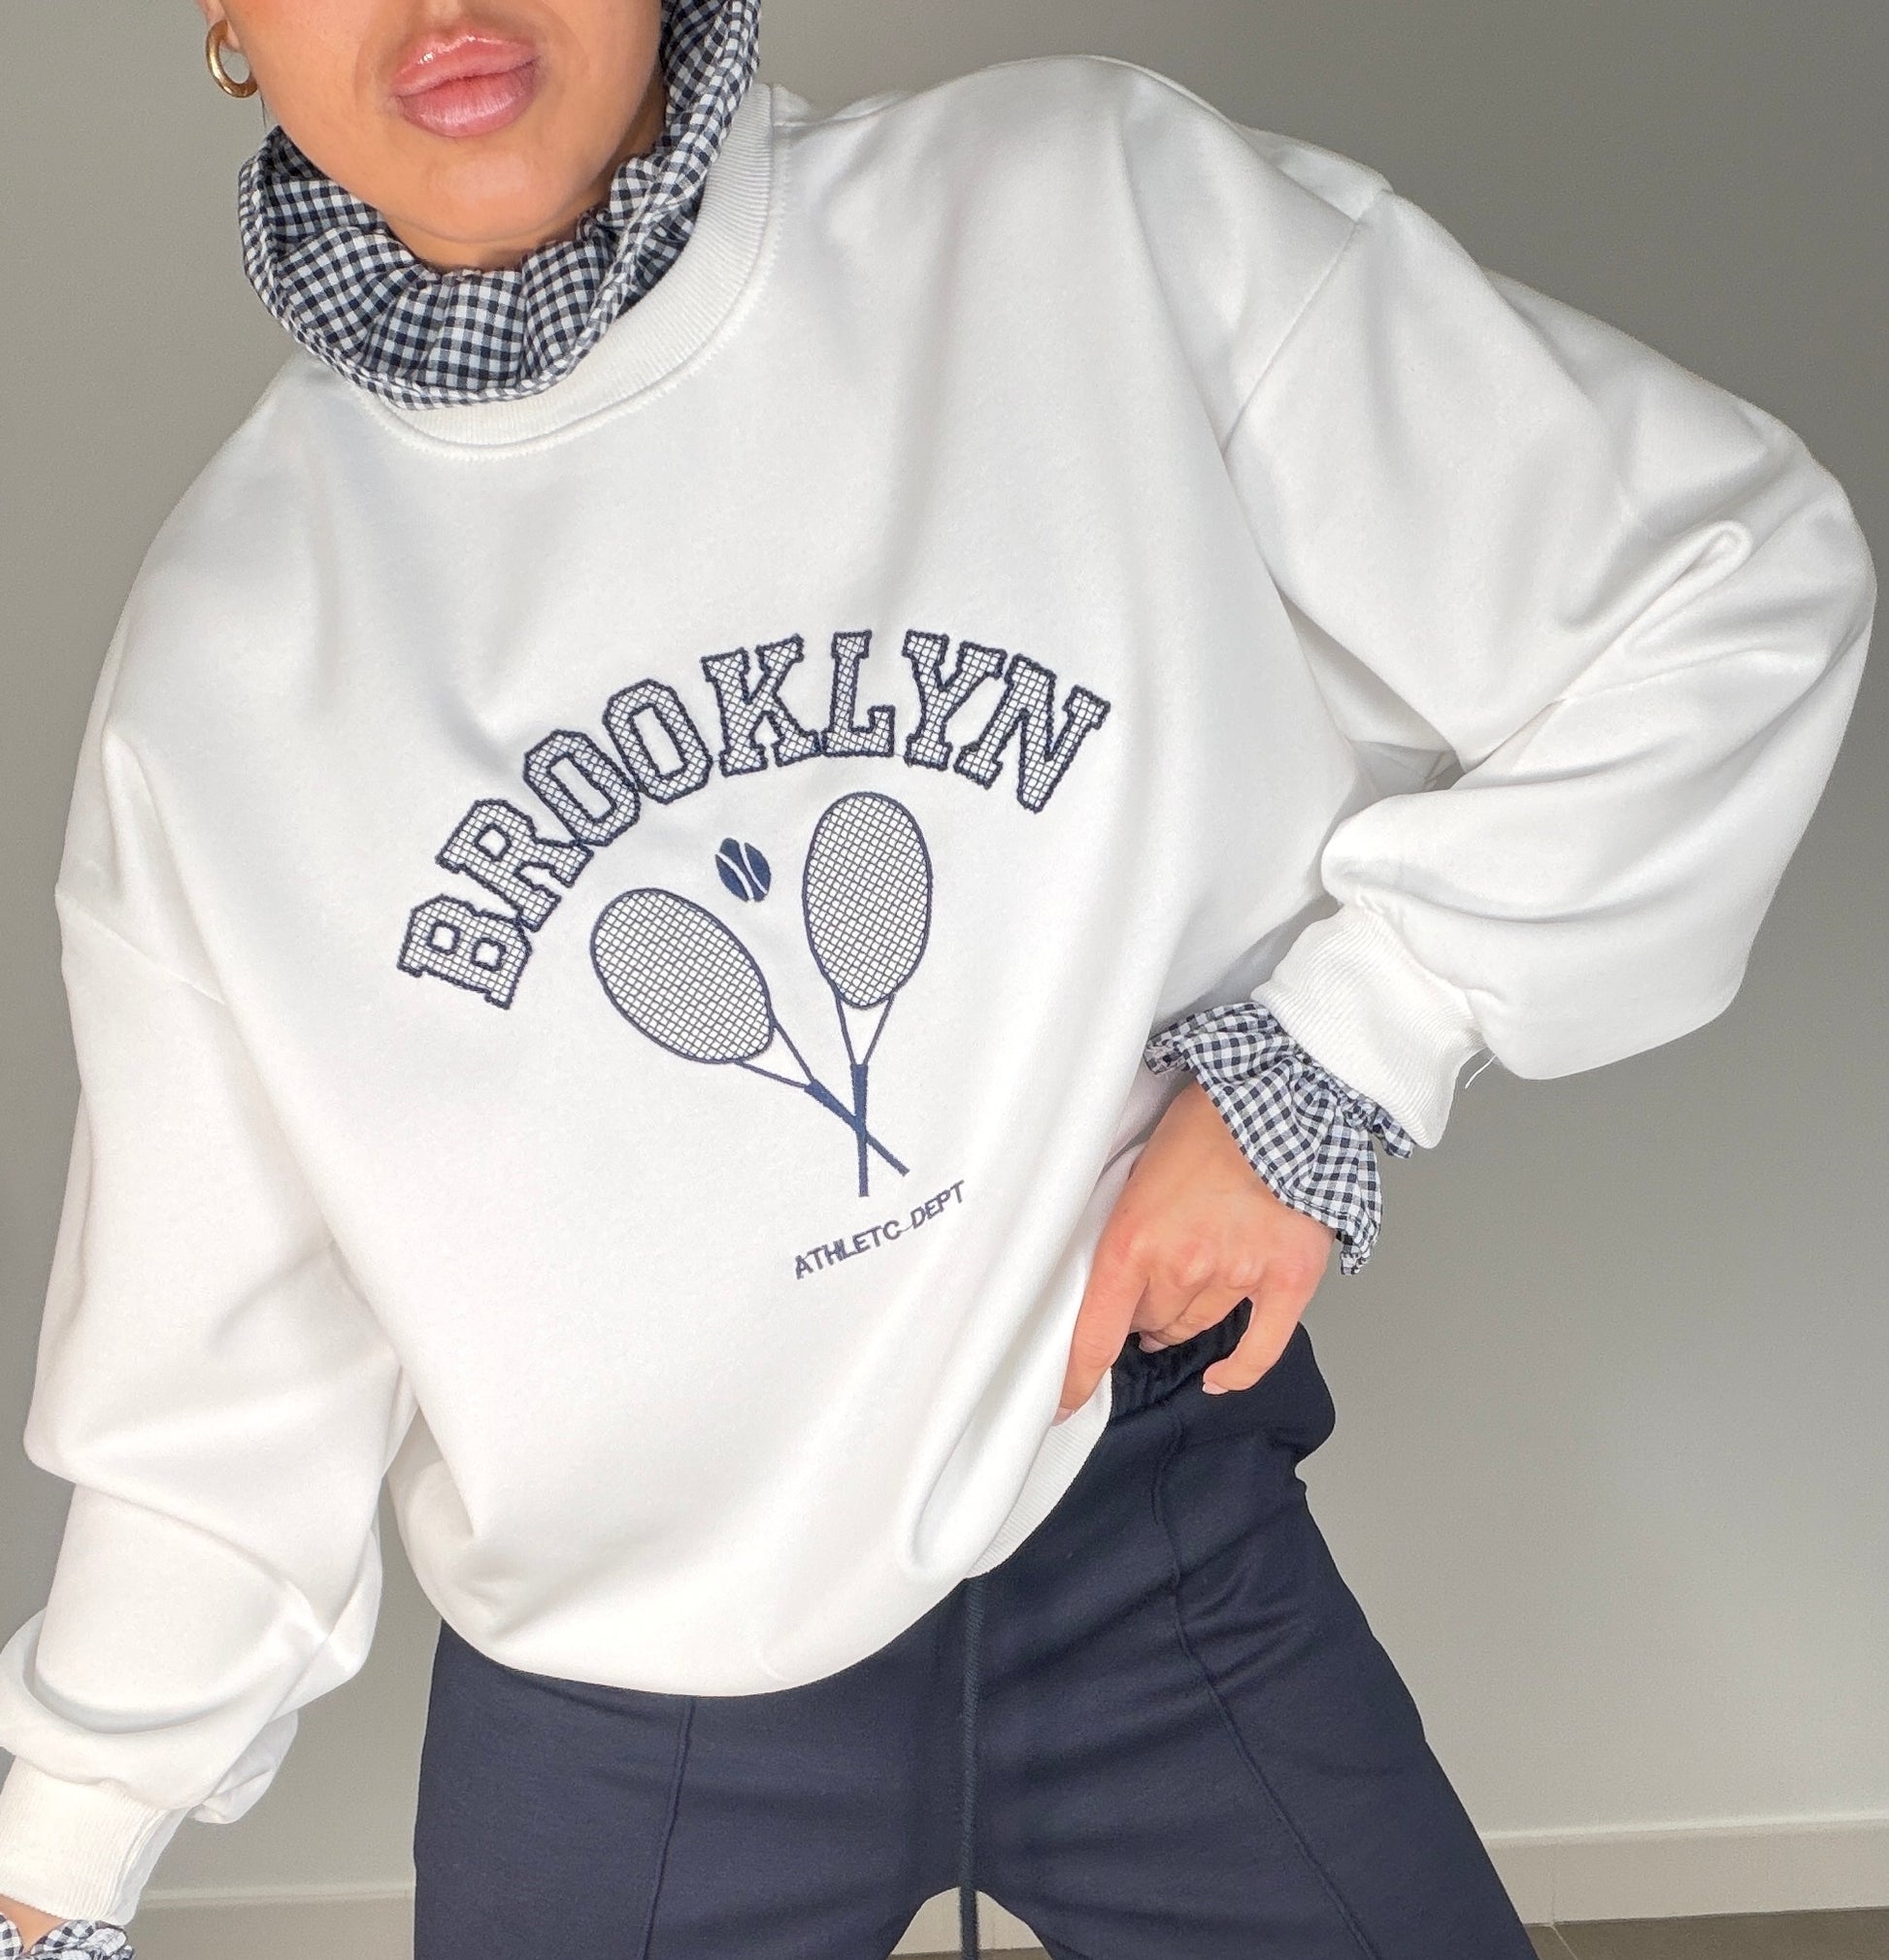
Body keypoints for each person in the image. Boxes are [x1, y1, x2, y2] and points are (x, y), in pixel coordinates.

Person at [0, 1, 1872, 1955]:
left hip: (1146, 1542)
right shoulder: (224, 662)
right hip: (622, 1710)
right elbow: (217, 1377)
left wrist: (1331, 1059)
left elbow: (1725, 587)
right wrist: (55, 1866)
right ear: (222, 16)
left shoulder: (1074, 221)